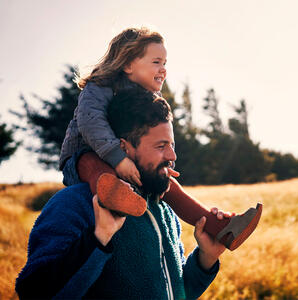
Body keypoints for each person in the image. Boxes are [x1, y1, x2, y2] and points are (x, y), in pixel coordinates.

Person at [59, 27, 262, 251]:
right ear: (127, 64)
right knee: (92, 165)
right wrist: (117, 159)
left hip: (127, 157)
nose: (163, 70)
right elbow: (91, 122)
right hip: (84, 155)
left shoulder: (151, 97)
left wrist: (165, 164)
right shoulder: (100, 86)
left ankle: (220, 227)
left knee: (171, 188)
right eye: (156, 62)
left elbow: (160, 138)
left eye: (165, 63)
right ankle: (113, 200)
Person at [16, 91, 228, 299]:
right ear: (123, 148)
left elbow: (176, 292)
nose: (172, 156)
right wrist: (99, 238)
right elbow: (33, 291)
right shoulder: (73, 204)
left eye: (171, 145)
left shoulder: (162, 209)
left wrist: (206, 257)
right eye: (161, 146)